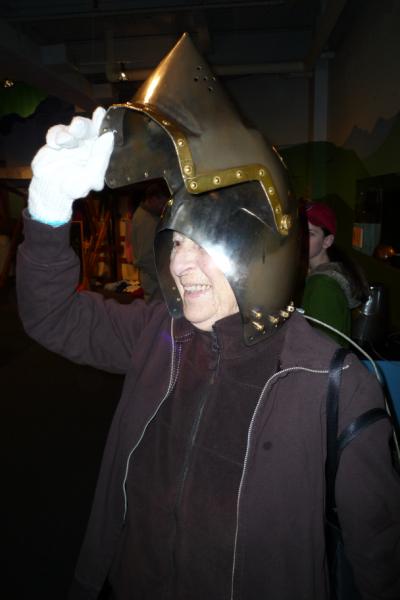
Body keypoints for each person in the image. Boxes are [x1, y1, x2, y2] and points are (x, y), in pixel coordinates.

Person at [16, 33, 400, 600]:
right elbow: (51, 316)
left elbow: (381, 556)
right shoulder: (158, 333)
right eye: (176, 242)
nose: (180, 264)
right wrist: (47, 211)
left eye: (203, 244)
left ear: (257, 251)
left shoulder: (332, 382)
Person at [302, 201, 369, 344]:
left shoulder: (322, 285)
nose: (300, 238)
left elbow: (323, 347)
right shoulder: (320, 276)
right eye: (298, 231)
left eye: (309, 233)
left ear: (327, 241)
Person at [130, 181, 168, 301]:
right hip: (155, 284)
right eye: (162, 203)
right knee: (157, 311)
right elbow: (145, 257)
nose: (163, 207)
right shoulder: (145, 220)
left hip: (156, 281)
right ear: (152, 199)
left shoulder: (150, 216)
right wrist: (166, 278)